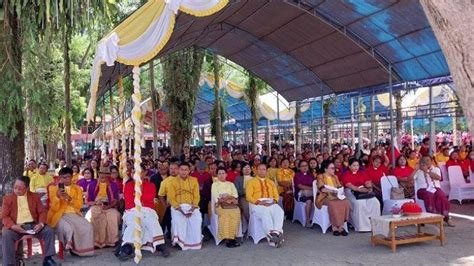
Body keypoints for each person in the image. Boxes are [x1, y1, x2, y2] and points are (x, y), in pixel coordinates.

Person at [2, 176, 58, 266]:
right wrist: (13, 226)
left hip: (33, 225)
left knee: (49, 231)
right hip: (16, 226)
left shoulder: (34, 197)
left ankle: (48, 259)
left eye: (20, 188)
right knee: (6, 234)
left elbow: (42, 212)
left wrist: (41, 224)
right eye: (15, 187)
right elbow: (4, 216)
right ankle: (9, 264)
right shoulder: (7, 198)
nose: (16, 190)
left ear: (27, 188)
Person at [118, 163, 169, 261]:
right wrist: (140, 198)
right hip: (132, 210)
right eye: (133, 172)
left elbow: (150, 198)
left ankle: (160, 245)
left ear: (144, 173)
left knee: (152, 221)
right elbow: (129, 200)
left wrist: (138, 195)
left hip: (147, 209)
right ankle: (126, 248)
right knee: (134, 224)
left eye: (139, 172)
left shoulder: (151, 185)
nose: (136, 174)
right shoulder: (128, 186)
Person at [47, 167, 94, 256]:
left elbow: (79, 205)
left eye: (67, 177)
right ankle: (69, 242)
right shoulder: (53, 188)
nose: (64, 179)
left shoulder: (77, 189)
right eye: (62, 177)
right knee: (68, 228)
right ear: (59, 178)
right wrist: (57, 197)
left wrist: (69, 199)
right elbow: (53, 208)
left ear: (71, 177)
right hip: (59, 215)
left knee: (88, 227)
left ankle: (81, 251)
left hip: (74, 214)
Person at [246, 164, 284, 248]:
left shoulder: (271, 182)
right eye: (259, 169)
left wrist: (273, 201)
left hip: (270, 202)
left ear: (266, 171)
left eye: (264, 169)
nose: (262, 171)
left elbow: (276, 195)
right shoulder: (251, 182)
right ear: (256, 170)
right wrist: (260, 202)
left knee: (279, 211)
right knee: (265, 212)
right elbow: (248, 196)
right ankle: (271, 235)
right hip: (257, 203)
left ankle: (276, 232)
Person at [168, 162, 202, 250]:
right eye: (182, 170)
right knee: (178, 219)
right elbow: (171, 198)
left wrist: (193, 208)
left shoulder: (194, 180)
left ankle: (194, 242)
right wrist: (180, 209)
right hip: (178, 207)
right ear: (178, 170)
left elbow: (197, 196)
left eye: (186, 170)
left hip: (191, 206)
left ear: (189, 171)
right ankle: (179, 241)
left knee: (197, 218)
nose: (184, 172)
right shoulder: (172, 182)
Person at [414, 156, 455, 227]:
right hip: (422, 190)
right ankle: (433, 217)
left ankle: (446, 217)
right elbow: (410, 180)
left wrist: (427, 171)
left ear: (431, 161)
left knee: (441, 195)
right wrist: (415, 169)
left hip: (435, 188)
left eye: (427, 160)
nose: (426, 162)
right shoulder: (418, 171)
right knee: (429, 195)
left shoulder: (436, 169)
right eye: (423, 161)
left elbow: (439, 178)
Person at [342, 158, 380, 232]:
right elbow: (350, 186)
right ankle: (362, 227)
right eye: (354, 165)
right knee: (360, 203)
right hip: (351, 192)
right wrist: (359, 189)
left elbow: (367, 182)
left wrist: (368, 187)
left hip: (364, 191)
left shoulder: (362, 173)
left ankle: (374, 225)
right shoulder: (346, 174)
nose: (356, 167)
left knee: (375, 202)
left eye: (357, 165)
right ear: (349, 166)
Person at [85, 169, 121, 248]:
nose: (103, 179)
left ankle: (112, 241)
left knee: (113, 215)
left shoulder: (113, 185)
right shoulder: (91, 185)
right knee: (93, 215)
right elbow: (88, 201)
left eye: (106, 177)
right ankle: (96, 242)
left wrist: (109, 206)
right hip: (96, 205)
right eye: (101, 177)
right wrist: (96, 203)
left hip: (109, 206)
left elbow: (116, 200)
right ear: (98, 175)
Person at [316, 161, 350, 236]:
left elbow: (339, 186)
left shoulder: (335, 177)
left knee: (346, 202)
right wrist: (332, 190)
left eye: (334, 168)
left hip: (336, 196)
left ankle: (341, 226)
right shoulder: (320, 176)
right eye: (332, 168)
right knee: (333, 204)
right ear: (325, 169)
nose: (334, 170)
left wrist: (340, 190)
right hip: (324, 197)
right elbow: (322, 189)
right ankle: (334, 227)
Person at [211, 167, 241, 248]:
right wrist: (228, 198)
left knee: (236, 211)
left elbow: (235, 195)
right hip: (220, 206)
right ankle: (227, 238)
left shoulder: (231, 184)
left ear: (226, 174)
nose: (221, 175)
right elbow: (216, 197)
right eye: (219, 174)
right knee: (226, 214)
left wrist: (227, 197)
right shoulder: (214, 184)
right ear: (217, 175)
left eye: (223, 173)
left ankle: (233, 236)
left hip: (231, 205)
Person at [293, 160, 314, 227]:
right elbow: (300, 186)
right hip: (300, 193)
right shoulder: (297, 175)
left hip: (311, 193)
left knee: (317, 197)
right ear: (299, 168)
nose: (305, 167)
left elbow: (314, 184)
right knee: (309, 200)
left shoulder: (310, 174)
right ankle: (308, 221)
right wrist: (312, 189)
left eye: (306, 166)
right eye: (303, 166)